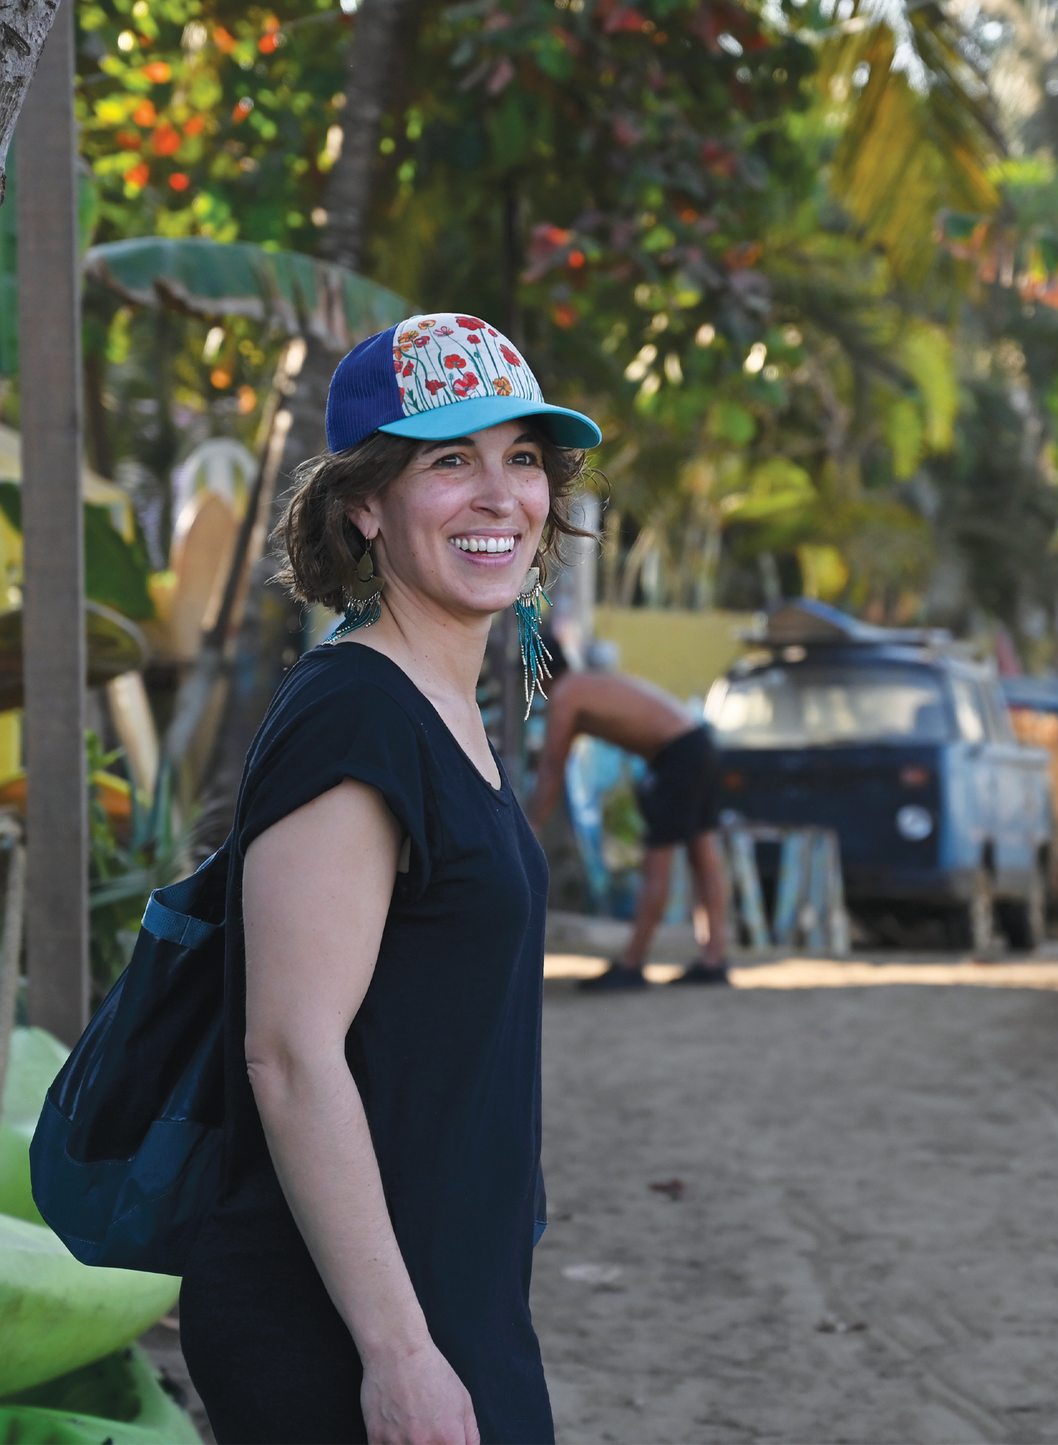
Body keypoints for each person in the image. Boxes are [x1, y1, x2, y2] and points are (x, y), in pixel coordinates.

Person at [178, 312, 601, 1445]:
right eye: (447, 459)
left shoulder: (445, 706)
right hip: (350, 1328)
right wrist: (398, 1353)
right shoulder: (355, 713)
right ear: (363, 503)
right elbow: (289, 1051)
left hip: (447, 1301)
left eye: (522, 458)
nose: (498, 493)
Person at [528, 653, 730, 989]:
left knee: (658, 858)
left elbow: (552, 766)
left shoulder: (565, 693)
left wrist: (531, 825)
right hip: (698, 742)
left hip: (677, 753)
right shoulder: (587, 683)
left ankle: (632, 963)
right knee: (701, 850)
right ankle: (715, 958)